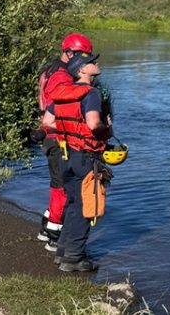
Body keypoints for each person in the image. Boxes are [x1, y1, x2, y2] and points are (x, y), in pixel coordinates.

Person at [45, 51, 112, 272]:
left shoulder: (63, 92)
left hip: (66, 156)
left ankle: (63, 252)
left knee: (73, 202)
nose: (96, 63)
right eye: (91, 62)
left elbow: (47, 121)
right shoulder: (91, 93)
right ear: (82, 70)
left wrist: (70, 129)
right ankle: (74, 258)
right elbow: (93, 124)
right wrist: (106, 128)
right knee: (86, 206)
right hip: (86, 158)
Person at [33, 33, 94, 249]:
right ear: (69, 53)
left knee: (58, 184)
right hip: (56, 136)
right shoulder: (62, 77)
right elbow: (59, 107)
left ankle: (48, 228)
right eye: (81, 56)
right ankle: (54, 237)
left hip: (50, 134)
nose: (83, 61)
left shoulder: (50, 70)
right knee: (63, 188)